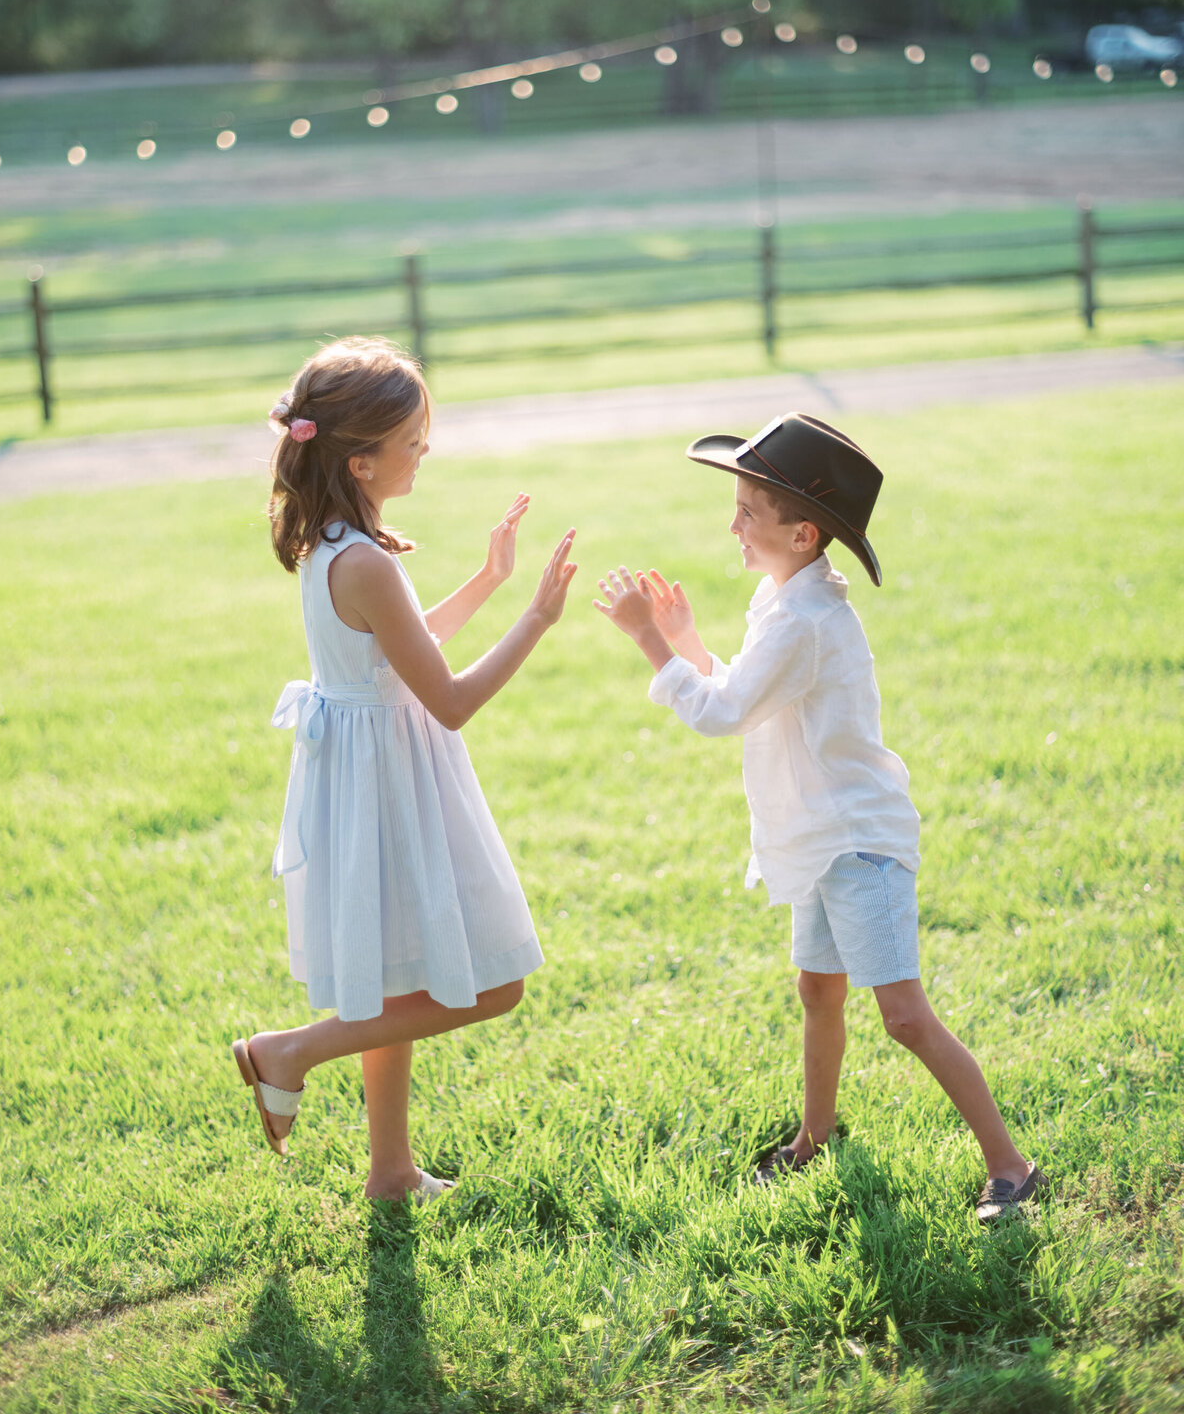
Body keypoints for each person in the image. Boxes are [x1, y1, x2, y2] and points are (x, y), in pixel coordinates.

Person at [593, 412, 1045, 1223]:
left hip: (858, 841)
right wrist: (692, 642)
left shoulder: (804, 619)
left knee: (903, 1016)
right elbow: (749, 692)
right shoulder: (783, 601)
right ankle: (815, 1134)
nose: (732, 524)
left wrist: (653, 647)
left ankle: (1010, 1164)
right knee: (818, 989)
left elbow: (724, 713)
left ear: (802, 533)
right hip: (818, 840)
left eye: (747, 513)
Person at [233, 337, 577, 1203]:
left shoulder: (334, 545)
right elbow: (449, 699)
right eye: (414, 442)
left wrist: (489, 581)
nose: (425, 453)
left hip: (363, 780)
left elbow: (396, 656)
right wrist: (535, 617)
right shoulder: (368, 563)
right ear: (361, 457)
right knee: (498, 986)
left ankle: (391, 1171)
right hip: (392, 785)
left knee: (394, 978)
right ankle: (291, 1050)